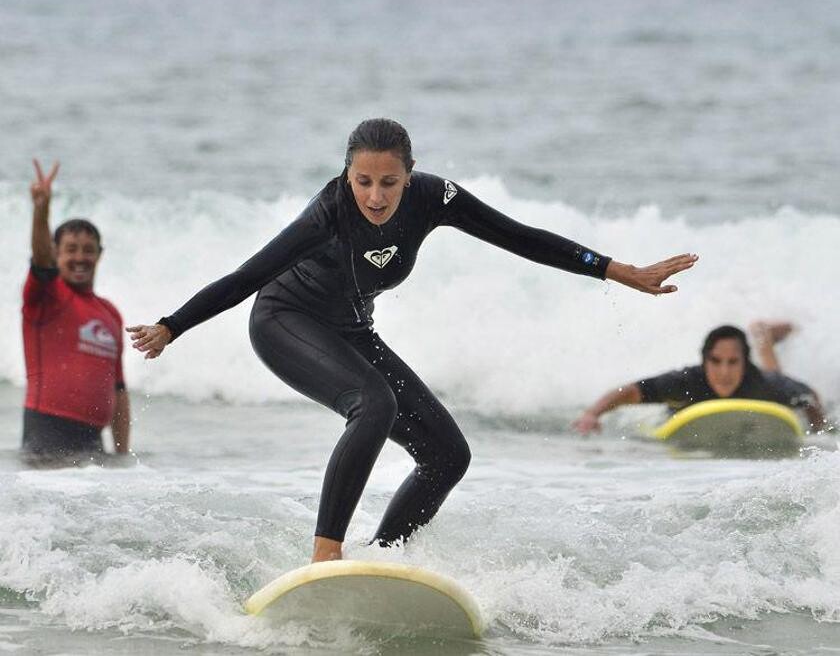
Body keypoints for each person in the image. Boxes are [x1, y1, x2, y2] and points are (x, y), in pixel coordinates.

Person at [127, 118, 697, 562]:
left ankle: (383, 560)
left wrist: (616, 269)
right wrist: (171, 326)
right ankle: (325, 553)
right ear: (347, 175)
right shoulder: (328, 212)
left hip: (350, 329)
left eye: (389, 182)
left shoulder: (434, 198)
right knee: (372, 404)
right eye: (363, 182)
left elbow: (519, 237)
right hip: (285, 321)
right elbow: (248, 277)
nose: (375, 196)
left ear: (410, 173)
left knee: (448, 455)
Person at [22, 159, 131, 458]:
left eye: (88, 250)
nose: (80, 257)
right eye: (70, 249)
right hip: (46, 435)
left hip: (94, 445)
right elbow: (41, 260)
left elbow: (119, 389)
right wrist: (41, 210)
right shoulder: (46, 295)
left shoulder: (110, 313)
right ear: (57, 253)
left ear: (99, 255)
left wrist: (123, 457)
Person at [573, 321, 827, 435]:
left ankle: (763, 335)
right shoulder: (687, 382)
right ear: (704, 360)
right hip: (682, 415)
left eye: (733, 362)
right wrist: (592, 414)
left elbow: (809, 397)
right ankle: (761, 334)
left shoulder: (762, 382)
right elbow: (629, 392)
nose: (724, 372)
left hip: (764, 386)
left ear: (745, 362)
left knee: (774, 375)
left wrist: (819, 429)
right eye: (716, 361)